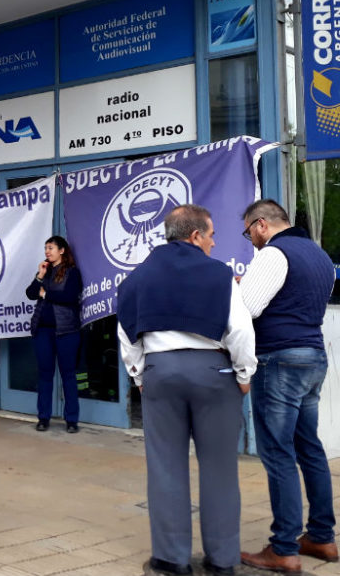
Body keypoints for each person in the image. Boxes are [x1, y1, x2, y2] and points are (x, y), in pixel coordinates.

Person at [116, 204, 256, 576]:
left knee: (165, 466)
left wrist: (139, 376)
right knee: (220, 469)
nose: (213, 243)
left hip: (161, 373)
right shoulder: (220, 274)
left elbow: (126, 334)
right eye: (210, 236)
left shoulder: (137, 276)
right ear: (195, 235)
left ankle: (171, 558)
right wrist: (244, 374)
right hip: (215, 371)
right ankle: (223, 560)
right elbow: (240, 330)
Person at [238, 199, 339, 573]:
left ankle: (283, 547)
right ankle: (322, 537)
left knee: (278, 452)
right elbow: (300, 302)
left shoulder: (273, 255)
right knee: (309, 447)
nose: (250, 240)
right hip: (312, 356)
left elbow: (246, 308)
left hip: (279, 359)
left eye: (248, 232)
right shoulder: (319, 255)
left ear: (261, 224)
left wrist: (239, 290)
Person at [25, 235, 84, 433]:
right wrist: (40, 276)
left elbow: (68, 297)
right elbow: (30, 293)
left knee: (68, 375)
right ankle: (43, 418)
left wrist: (46, 294)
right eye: (45, 248)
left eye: (51, 248)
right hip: (43, 331)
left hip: (66, 331)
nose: (47, 251)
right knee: (44, 375)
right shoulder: (46, 271)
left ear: (62, 250)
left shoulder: (72, 273)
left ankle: (72, 420)